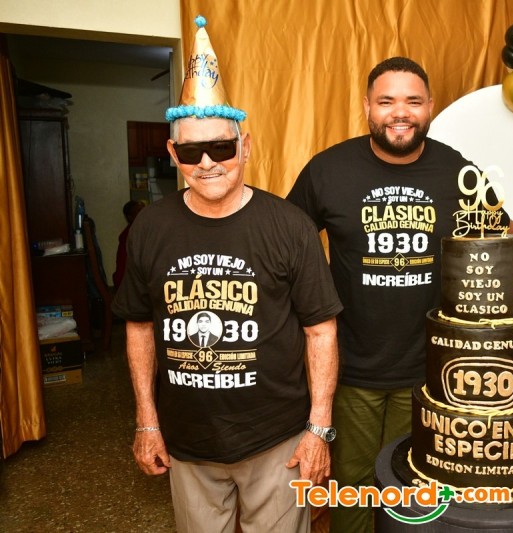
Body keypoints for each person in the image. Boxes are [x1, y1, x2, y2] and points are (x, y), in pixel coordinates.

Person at [112, 16, 342, 533]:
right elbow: (139, 326)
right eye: (190, 151)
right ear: (172, 154)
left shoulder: (289, 225)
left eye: (221, 147)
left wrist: (319, 429)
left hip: (277, 440)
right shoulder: (150, 227)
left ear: (246, 146)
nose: (207, 163)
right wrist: (146, 421)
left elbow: (321, 330)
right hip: (186, 440)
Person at [287, 56, 513, 533]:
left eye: (413, 101)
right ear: (367, 107)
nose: (400, 112)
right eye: (387, 101)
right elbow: (286, 247)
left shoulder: (457, 171)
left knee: (414, 487)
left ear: (430, 106)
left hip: (429, 368)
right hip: (350, 367)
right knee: (353, 485)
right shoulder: (328, 169)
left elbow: (505, 236)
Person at [112, 199, 145, 288]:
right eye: (139, 211)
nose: (144, 214)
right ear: (130, 217)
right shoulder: (130, 235)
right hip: (129, 284)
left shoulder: (141, 231)